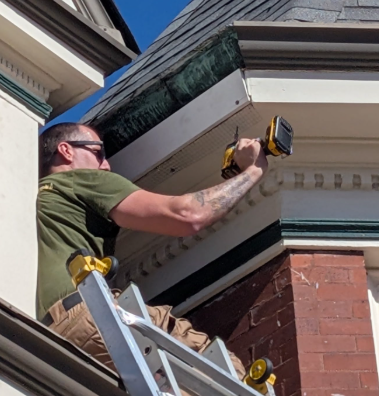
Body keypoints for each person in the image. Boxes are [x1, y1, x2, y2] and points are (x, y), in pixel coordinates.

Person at [37, 122, 268, 380]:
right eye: (98, 153)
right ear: (66, 151)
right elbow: (188, 214)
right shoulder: (78, 180)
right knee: (222, 371)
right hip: (92, 314)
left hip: (51, 338)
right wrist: (254, 170)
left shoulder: (40, 199)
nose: (106, 166)